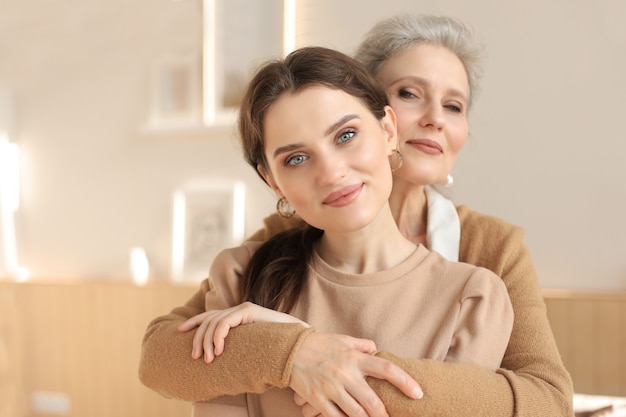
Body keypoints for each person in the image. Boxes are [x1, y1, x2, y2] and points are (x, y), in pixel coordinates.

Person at [139, 14, 575, 417]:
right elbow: (166, 354)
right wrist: (291, 352)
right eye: (410, 93)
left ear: (382, 130)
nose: (435, 119)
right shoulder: (267, 251)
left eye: (454, 106)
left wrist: (335, 366)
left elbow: (548, 401)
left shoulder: (486, 266)